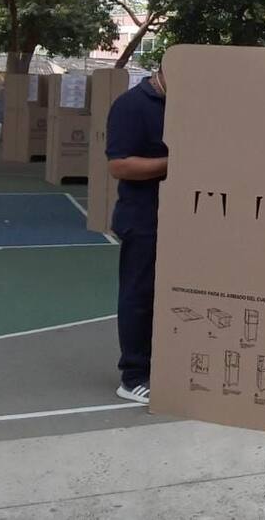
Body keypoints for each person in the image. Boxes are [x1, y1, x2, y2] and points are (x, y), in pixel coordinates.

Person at [106, 68, 168, 405]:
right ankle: (132, 376)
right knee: (139, 294)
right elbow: (119, 165)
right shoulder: (131, 105)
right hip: (142, 217)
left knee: (164, 295)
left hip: (175, 217)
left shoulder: (183, 106)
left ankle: (158, 365)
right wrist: (173, 163)